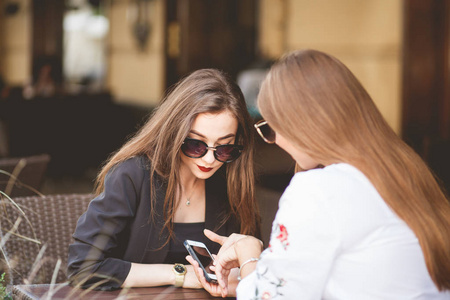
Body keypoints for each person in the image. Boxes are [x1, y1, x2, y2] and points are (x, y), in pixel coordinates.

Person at [187, 49, 450, 299]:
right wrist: (254, 278)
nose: (273, 141)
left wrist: (250, 254)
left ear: (301, 124)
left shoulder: (318, 190)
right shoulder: (404, 170)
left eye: (269, 129)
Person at [67, 69, 261, 290]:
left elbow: (257, 269)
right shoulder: (133, 176)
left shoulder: (232, 181)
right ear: (174, 132)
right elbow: (83, 267)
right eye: (196, 144)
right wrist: (181, 274)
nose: (209, 159)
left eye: (224, 148)